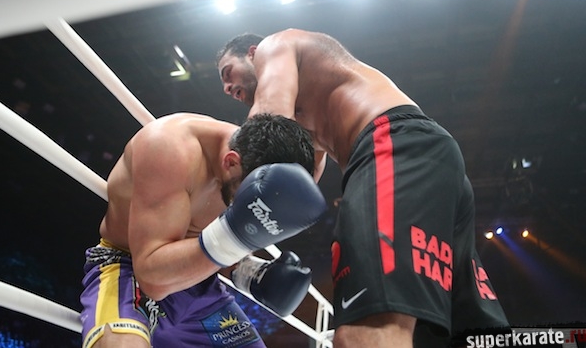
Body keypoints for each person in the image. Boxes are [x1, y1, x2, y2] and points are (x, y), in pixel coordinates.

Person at [216, 29, 509, 347]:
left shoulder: (276, 45)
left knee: (364, 333)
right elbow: (299, 182)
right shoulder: (305, 113)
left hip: (392, 144)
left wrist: (224, 228)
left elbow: (266, 123)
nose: (227, 88)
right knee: (452, 332)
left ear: (252, 52)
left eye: (228, 73)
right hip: (422, 156)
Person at [80, 112, 328, 348]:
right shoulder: (169, 149)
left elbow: (210, 246)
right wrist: (234, 237)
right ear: (231, 161)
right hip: (129, 269)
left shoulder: (253, 163)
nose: (245, 204)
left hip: (199, 283)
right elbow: (152, 279)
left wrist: (251, 274)